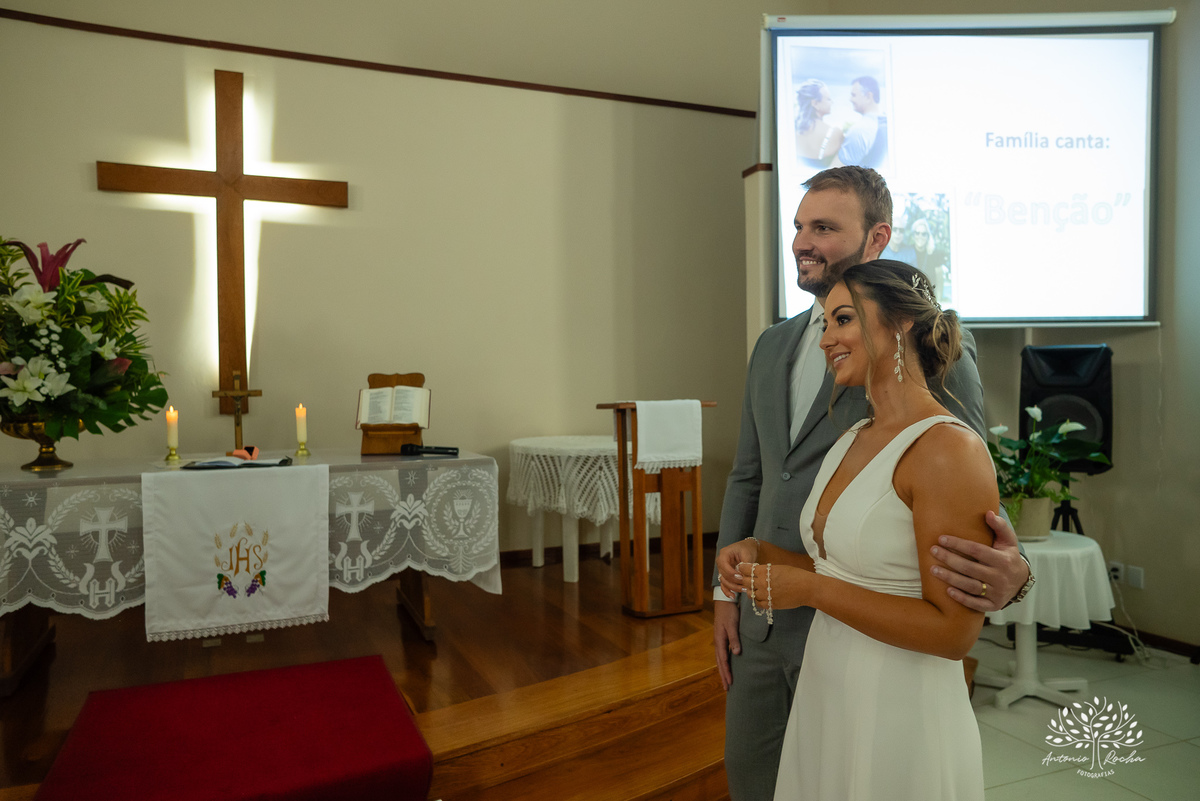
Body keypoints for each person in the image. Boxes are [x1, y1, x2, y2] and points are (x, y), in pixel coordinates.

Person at [713, 166, 1033, 801]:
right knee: (758, 782)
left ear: (877, 237)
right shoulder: (772, 346)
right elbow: (751, 474)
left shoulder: (931, 355)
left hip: (877, 638)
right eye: (799, 226)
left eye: (825, 227)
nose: (803, 241)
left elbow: (969, 491)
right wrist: (726, 590)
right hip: (765, 615)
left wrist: (1018, 573)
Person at [836, 76, 887, 169]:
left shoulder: (860, 129)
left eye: (853, 95)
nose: (850, 99)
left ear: (868, 96)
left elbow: (840, 169)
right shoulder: (886, 123)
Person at [794, 79, 844, 169]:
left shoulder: (791, 132)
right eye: (828, 99)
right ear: (815, 103)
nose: (832, 102)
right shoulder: (835, 133)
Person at [912, 217, 951, 303]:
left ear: (928, 236)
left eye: (923, 234)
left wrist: (938, 301)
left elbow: (939, 280)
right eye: (917, 233)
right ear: (913, 235)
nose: (920, 236)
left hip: (929, 301)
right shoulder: (908, 252)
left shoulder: (934, 254)